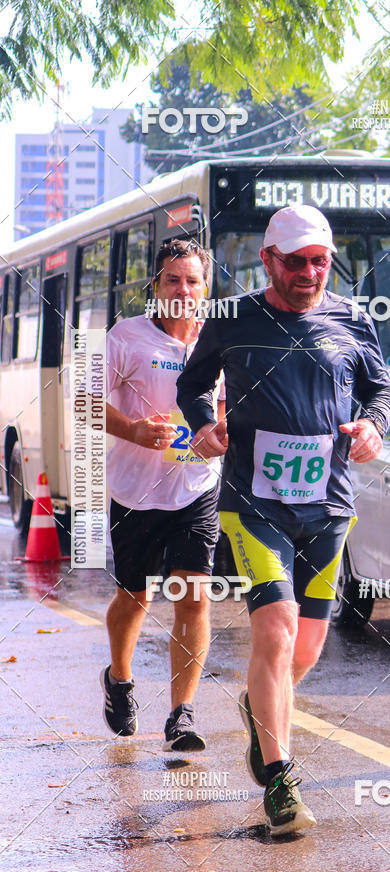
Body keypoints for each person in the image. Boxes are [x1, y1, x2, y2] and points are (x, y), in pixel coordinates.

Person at [176, 204, 390, 835]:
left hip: (327, 506)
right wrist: (203, 427)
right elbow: (193, 385)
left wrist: (374, 426)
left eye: (319, 261)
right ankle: (280, 782)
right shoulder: (234, 318)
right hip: (254, 504)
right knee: (274, 632)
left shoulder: (352, 319)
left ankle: (258, 708)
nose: (308, 273)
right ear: (268, 260)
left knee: (304, 649)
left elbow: (378, 389)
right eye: (294, 261)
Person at [100, 238, 221, 752]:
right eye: (172, 279)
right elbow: (85, 403)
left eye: (192, 280)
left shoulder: (218, 342)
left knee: (193, 595)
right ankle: (119, 678)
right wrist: (132, 430)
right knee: (135, 597)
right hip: (135, 491)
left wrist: (220, 434)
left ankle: (181, 714)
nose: (183, 289)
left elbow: (231, 406)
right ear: (156, 286)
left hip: (196, 488)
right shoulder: (126, 337)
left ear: (205, 288)